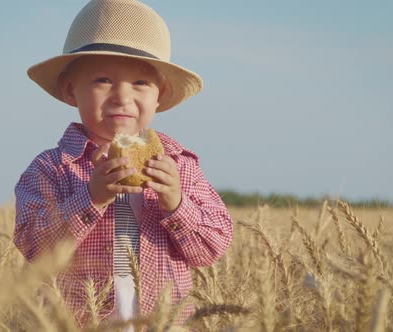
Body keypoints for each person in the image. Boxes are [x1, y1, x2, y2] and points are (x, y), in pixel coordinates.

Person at [13, 0, 233, 328]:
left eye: (140, 83)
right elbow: (33, 246)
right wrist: (90, 197)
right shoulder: (52, 168)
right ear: (70, 89)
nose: (122, 96)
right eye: (103, 80)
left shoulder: (178, 166)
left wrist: (176, 203)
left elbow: (211, 249)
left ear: (160, 94)